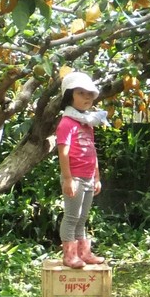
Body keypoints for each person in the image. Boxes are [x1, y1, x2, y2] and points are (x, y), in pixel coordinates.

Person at [55, 71, 108, 268]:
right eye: (80, 93)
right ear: (69, 95)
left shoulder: (87, 123)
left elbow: (92, 151)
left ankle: (83, 253)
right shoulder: (66, 123)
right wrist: (68, 179)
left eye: (89, 94)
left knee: (82, 218)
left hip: (87, 178)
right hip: (75, 178)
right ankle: (69, 256)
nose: (86, 97)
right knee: (72, 217)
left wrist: (97, 177)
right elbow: (63, 152)